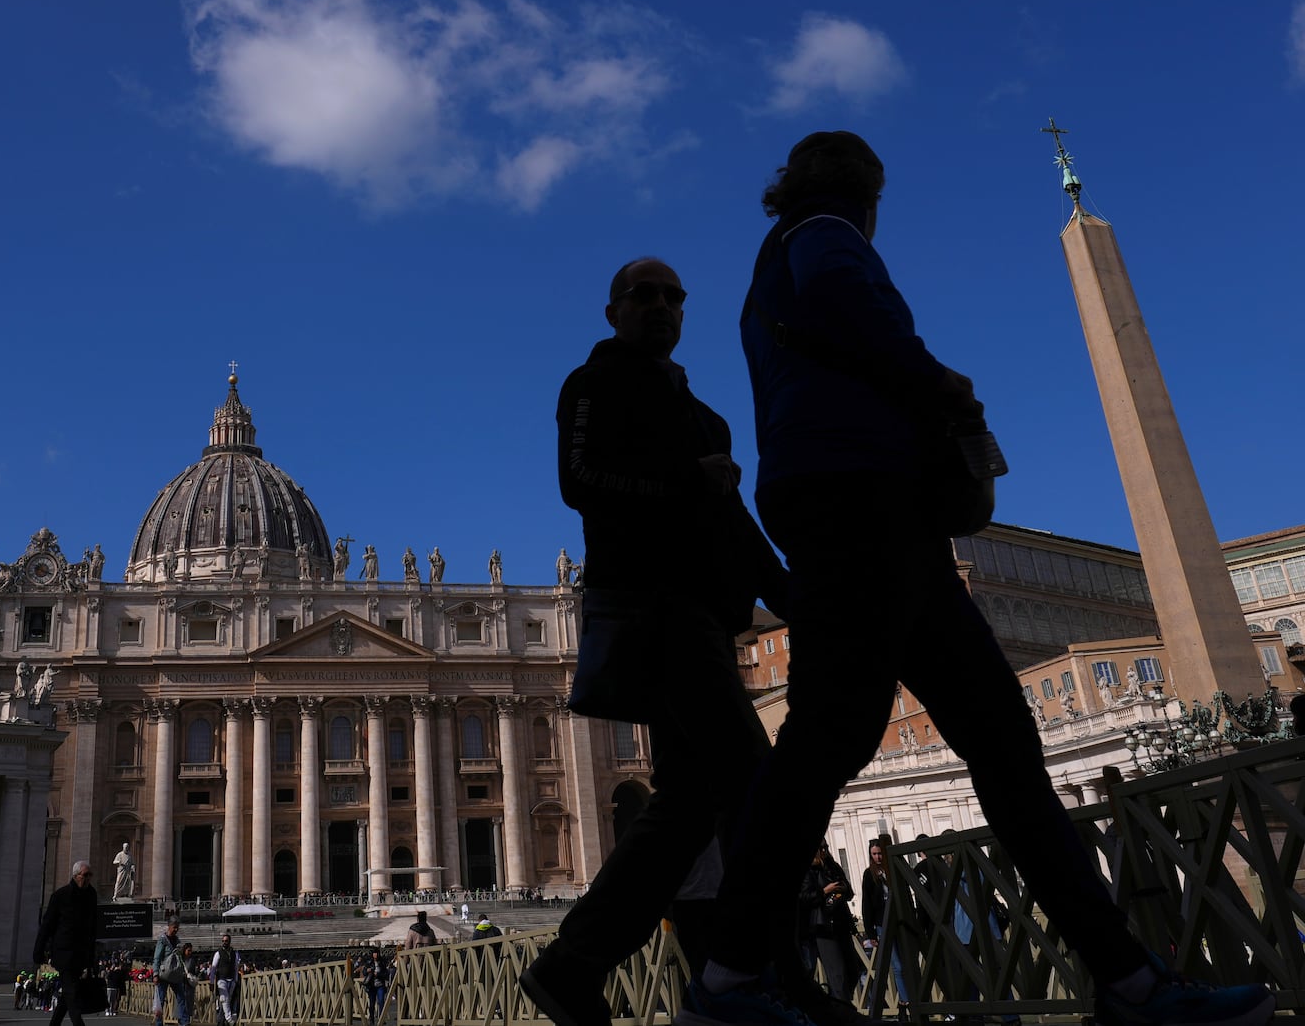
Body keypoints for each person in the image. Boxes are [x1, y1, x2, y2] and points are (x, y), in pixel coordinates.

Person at [680, 129, 1278, 1026]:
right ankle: (727, 980)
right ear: (865, 192)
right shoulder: (825, 236)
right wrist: (946, 389)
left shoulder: (772, 271)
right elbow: (858, 313)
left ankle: (1126, 977)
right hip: (868, 508)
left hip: (854, 511)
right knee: (892, 746)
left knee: (943, 742)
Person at [519, 257, 788, 1026]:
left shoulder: (708, 418)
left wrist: (789, 595)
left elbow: (732, 525)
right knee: (750, 782)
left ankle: (580, 964)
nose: (661, 306)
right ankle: (744, 974)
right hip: (649, 609)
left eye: (674, 296)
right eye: (644, 294)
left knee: (697, 797)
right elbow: (581, 483)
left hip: (705, 615)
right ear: (613, 311)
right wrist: (684, 486)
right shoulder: (591, 384)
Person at [33, 861, 98, 1026]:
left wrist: (92, 957)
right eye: (86, 875)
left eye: (90, 875)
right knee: (72, 994)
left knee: (67, 995)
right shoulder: (60, 895)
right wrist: (38, 951)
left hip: (81, 953)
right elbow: (47, 925)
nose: (89, 878)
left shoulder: (92, 895)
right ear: (76, 876)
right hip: (64, 953)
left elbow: (93, 927)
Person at [796, 847, 857, 1001]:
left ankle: (839, 1005)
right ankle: (842, 1009)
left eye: (826, 847)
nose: (824, 851)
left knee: (854, 969)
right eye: (820, 848)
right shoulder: (808, 870)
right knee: (837, 975)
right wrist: (824, 891)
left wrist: (843, 888)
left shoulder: (833, 866)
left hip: (841, 922)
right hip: (823, 926)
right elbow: (804, 898)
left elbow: (849, 891)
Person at [859, 841, 910, 1017]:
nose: (878, 857)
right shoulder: (869, 874)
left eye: (880, 853)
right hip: (882, 924)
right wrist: (870, 931)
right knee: (896, 965)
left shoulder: (892, 870)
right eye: (874, 854)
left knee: (907, 962)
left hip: (900, 921)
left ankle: (907, 1002)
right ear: (870, 855)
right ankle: (905, 1002)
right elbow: (866, 903)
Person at [149, 918, 181, 1026]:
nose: (176, 929)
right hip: (163, 974)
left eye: (177, 927)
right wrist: (155, 974)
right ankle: (159, 1023)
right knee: (160, 1001)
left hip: (175, 974)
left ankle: (184, 1022)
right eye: (174, 927)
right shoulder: (162, 940)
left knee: (181, 997)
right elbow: (157, 957)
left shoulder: (177, 940)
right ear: (169, 926)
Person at [209, 935, 238, 1025]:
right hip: (222, 979)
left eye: (226, 941)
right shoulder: (218, 953)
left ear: (229, 941)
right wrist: (211, 981)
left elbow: (236, 966)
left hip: (231, 979)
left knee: (227, 1000)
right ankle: (229, 1019)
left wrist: (235, 979)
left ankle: (221, 1020)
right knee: (224, 998)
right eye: (223, 941)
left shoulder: (234, 953)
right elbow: (213, 968)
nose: (224, 942)